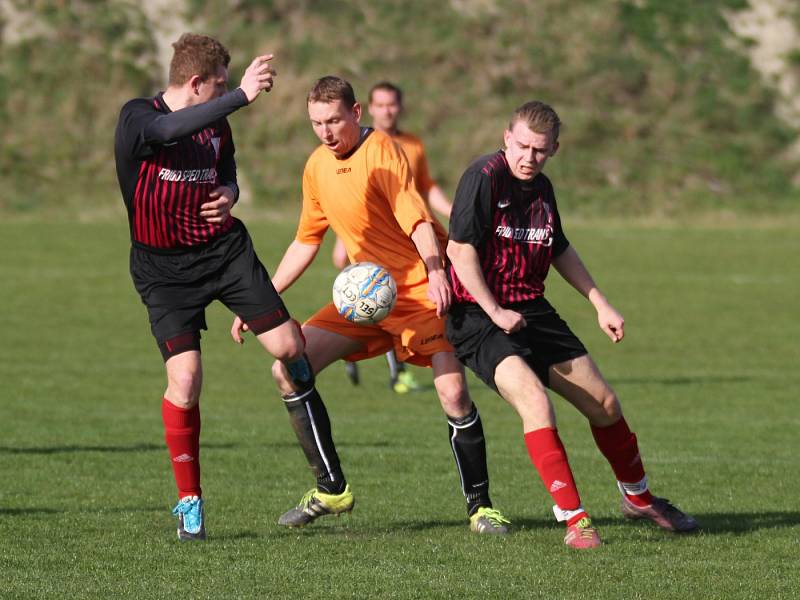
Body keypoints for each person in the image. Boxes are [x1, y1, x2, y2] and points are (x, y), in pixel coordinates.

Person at [231, 76, 509, 534]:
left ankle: (481, 507)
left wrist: (438, 271)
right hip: (366, 298)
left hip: (420, 290)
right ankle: (331, 488)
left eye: (334, 120)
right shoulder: (317, 167)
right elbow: (306, 241)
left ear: (356, 114)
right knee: (287, 368)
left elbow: (416, 218)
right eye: (316, 122)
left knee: (453, 393)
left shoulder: (382, 151)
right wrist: (263, 300)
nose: (325, 131)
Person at [445, 100, 698, 549]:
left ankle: (639, 499)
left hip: (531, 308)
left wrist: (600, 303)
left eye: (539, 150)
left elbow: (558, 247)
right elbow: (459, 252)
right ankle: (576, 519)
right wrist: (495, 311)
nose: (528, 157)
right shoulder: (483, 177)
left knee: (604, 403)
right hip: (477, 314)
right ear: (506, 138)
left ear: (554, 149)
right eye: (521, 146)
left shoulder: (542, 189)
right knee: (536, 404)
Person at [114, 34, 313, 541]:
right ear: (196, 83)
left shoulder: (216, 122)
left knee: (289, 345)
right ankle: (189, 502)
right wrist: (242, 94)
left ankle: (318, 440)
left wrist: (230, 191)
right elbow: (170, 127)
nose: (227, 93)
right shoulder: (139, 117)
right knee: (184, 381)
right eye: (219, 85)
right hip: (163, 270)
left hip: (224, 253)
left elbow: (227, 168)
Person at [335, 81, 453, 393]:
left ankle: (388, 364)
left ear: (399, 107)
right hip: (372, 240)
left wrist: (455, 212)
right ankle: (386, 365)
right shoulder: (355, 148)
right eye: (381, 104)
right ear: (369, 108)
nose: (387, 110)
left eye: (392, 104)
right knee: (379, 299)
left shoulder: (413, 144)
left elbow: (426, 188)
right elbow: (349, 200)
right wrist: (341, 239)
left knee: (399, 303)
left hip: (413, 239)